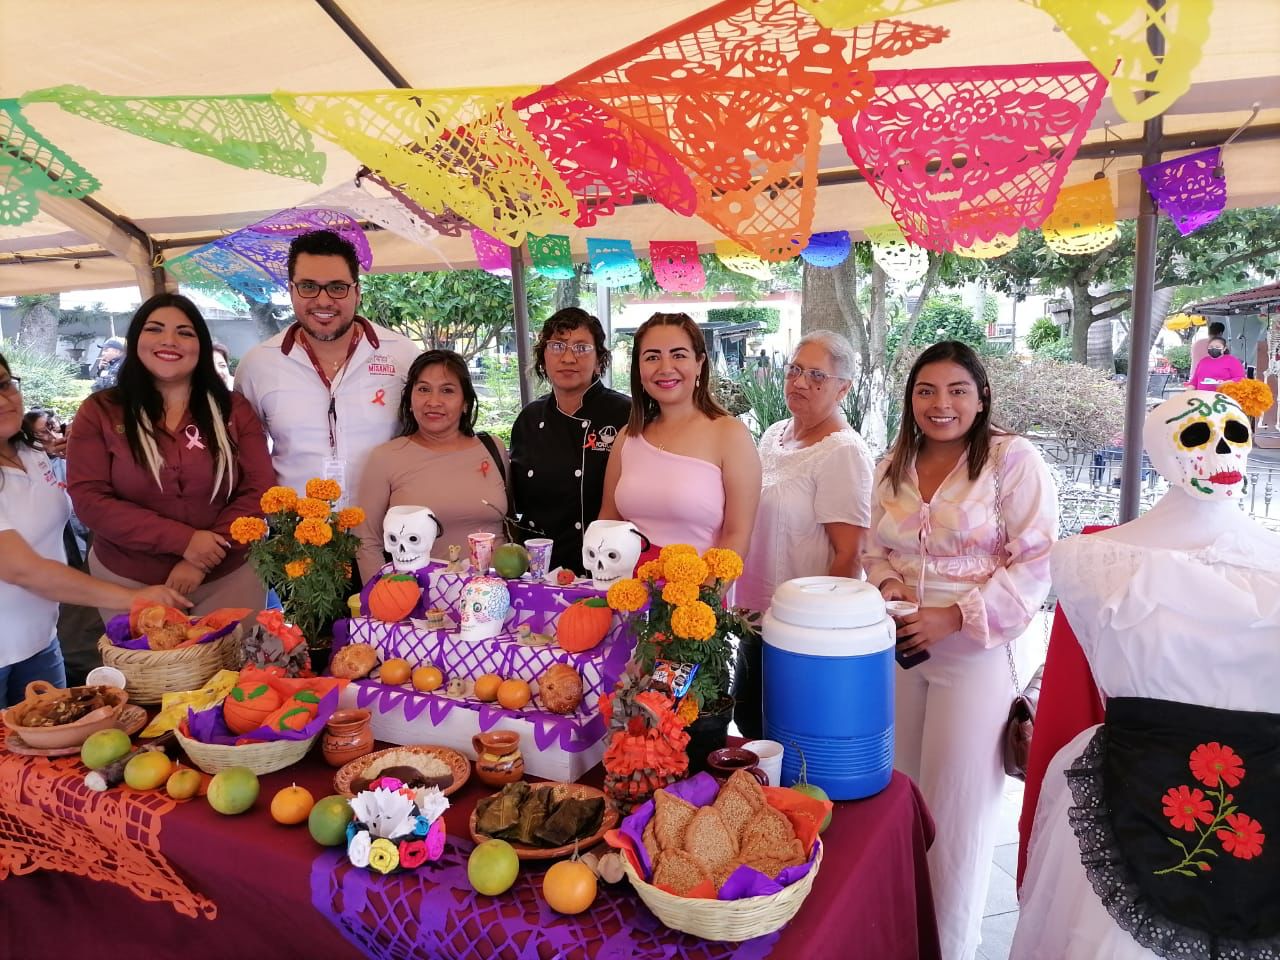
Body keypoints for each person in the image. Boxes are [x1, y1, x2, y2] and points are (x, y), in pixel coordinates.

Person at [1013, 390, 1279, 958]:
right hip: (1133, 791)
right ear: (1159, 448)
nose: (1221, 451)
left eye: (1234, 434)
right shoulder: (1091, 559)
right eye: (1196, 436)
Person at [863, 340, 1058, 960]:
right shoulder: (892, 461)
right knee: (899, 798)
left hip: (977, 652)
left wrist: (953, 617)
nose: (940, 404)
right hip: (900, 647)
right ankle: (898, 937)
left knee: (956, 816)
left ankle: (948, 947)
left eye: (956, 390)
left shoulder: (1011, 458)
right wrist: (890, 589)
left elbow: (1037, 560)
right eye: (926, 391)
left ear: (981, 397)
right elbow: (874, 549)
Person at [67, 293, 275, 625]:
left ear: (201, 345)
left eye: (184, 332)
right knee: (148, 661)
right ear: (136, 339)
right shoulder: (101, 412)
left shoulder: (233, 409)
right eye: (155, 329)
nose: (169, 340)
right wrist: (185, 541)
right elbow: (89, 499)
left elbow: (259, 488)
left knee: (235, 659)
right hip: (128, 580)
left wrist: (201, 558)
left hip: (229, 575)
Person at [0, 353, 189, 707]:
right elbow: (22, 569)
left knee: (57, 740)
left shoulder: (31, 453)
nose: (2, 400)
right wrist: (134, 598)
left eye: (4, 384)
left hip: (41, 642)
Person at [734, 330, 875, 739]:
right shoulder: (773, 435)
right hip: (754, 617)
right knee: (749, 724)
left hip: (801, 631)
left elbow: (850, 554)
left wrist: (821, 636)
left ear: (843, 388)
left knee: (787, 738)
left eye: (816, 376)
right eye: (794, 370)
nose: (799, 383)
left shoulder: (842, 452)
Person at [234, 229, 419, 501]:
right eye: (308, 286)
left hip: (385, 522)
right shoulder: (257, 365)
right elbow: (247, 460)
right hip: (295, 525)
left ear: (357, 292)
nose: (323, 301)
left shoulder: (403, 355)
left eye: (337, 287)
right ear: (291, 290)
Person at [599, 312, 761, 555]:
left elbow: (737, 535)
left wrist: (709, 583)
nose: (665, 368)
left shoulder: (731, 435)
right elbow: (608, 521)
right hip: (625, 577)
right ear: (639, 368)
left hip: (703, 578)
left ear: (699, 362)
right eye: (652, 357)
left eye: (678, 355)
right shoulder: (626, 437)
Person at [355, 350, 508, 581]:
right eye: (424, 389)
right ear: (409, 400)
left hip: (499, 593)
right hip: (420, 597)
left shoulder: (493, 448)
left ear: (465, 403)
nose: (433, 402)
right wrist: (384, 595)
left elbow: (510, 527)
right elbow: (367, 541)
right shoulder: (385, 458)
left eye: (447, 390)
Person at [509, 308, 630, 573]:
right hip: (540, 569)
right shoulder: (529, 419)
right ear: (543, 357)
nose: (567, 357)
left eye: (581, 348)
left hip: (606, 568)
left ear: (599, 360)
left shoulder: (626, 414)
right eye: (557, 346)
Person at [23, 408, 90, 564]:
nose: (53, 435)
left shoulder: (79, 450)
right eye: (43, 433)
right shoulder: (37, 464)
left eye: (53, 427)